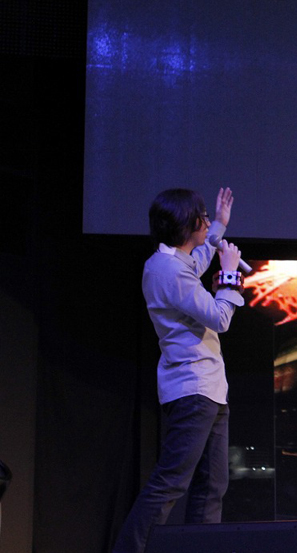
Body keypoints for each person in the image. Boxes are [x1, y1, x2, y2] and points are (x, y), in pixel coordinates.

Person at [112, 187, 245, 553]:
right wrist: (229, 275)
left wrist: (220, 225)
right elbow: (219, 318)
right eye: (203, 216)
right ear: (188, 223)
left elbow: (199, 258)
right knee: (171, 482)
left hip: (209, 388)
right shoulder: (168, 270)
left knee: (212, 486)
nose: (206, 220)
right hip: (192, 388)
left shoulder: (173, 261)